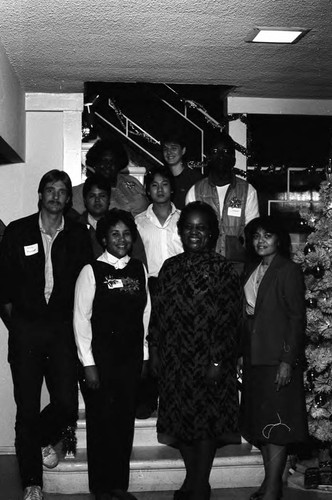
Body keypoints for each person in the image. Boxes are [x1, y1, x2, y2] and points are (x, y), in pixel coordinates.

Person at [0, 170, 93, 500]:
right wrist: (20, 325)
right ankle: (31, 482)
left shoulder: (80, 235)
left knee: (66, 404)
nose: (55, 195)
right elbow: (3, 287)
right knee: (26, 408)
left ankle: (38, 440)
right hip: (25, 331)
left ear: (69, 199)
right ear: (40, 195)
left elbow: (86, 286)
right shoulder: (18, 231)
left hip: (62, 332)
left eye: (62, 191)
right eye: (49, 190)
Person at [149, 201, 241, 500]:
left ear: (213, 233)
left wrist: (217, 360)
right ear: (180, 231)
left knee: (205, 426)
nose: (194, 233)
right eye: (188, 227)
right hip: (175, 360)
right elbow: (158, 315)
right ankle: (194, 481)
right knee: (182, 425)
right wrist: (156, 352)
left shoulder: (223, 270)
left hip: (210, 360)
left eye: (201, 228)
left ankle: (199, 487)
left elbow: (229, 321)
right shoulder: (170, 267)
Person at [73, 209, 151, 500]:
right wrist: (88, 363)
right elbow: (80, 320)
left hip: (130, 358)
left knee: (122, 423)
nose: (121, 239)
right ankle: (101, 487)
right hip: (100, 361)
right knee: (101, 421)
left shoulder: (138, 269)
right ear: (104, 238)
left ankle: (119, 485)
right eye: (115, 234)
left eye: (126, 234)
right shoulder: (91, 271)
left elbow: (146, 314)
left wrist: (144, 355)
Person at [239, 216, 308, 500]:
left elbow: (296, 319)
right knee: (263, 425)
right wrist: (242, 354)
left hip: (277, 360)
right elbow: (246, 315)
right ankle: (271, 483)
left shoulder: (288, 270)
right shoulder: (252, 269)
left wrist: (286, 361)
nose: (261, 241)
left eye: (267, 235)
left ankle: (272, 489)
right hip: (255, 359)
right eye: (256, 236)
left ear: (278, 239)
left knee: (277, 426)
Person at [135, 166, 183, 418]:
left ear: (172, 188)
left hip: (181, 289)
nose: (160, 189)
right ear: (147, 190)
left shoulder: (184, 219)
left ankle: (174, 399)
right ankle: (148, 397)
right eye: (154, 185)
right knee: (151, 342)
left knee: (178, 343)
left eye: (165, 184)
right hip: (151, 288)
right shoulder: (138, 222)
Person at [185, 132, 259, 268]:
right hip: (203, 266)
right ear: (207, 158)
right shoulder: (195, 191)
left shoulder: (248, 191)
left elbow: (253, 235)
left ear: (234, 159)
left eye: (225, 151)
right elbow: (189, 233)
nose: (220, 156)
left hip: (236, 268)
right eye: (214, 151)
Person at [72, 138, 149, 217]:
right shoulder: (80, 192)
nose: (107, 165)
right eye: (103, 161)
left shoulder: (132, 181)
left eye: (112, 161)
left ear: (119, 164)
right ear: (95, 163)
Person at [161, 131, 203, 209]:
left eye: (173, 148)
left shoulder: (194, 179)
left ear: (183, 151)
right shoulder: (161, 177)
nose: (169, 152)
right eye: (165, 149)